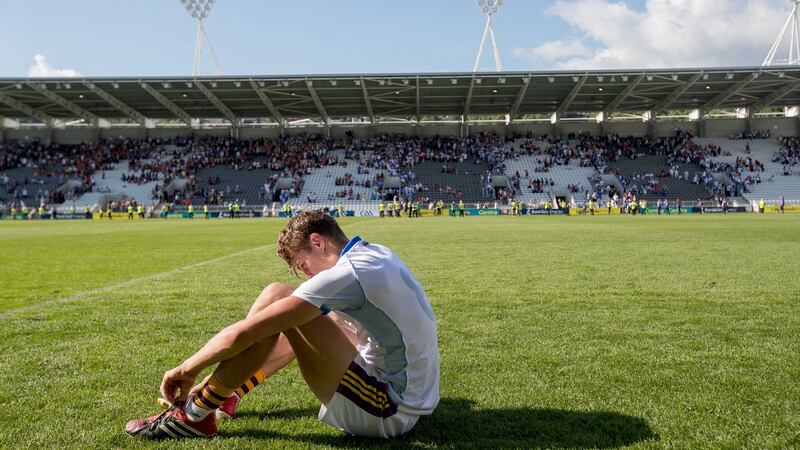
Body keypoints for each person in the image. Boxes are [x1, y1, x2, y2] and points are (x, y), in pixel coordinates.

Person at [125, 211, 439, 440]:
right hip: (408, 392)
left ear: (317, 242)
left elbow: (244, 334)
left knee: (278, 297)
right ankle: (229, 393)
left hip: (386, 410)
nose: (308, 277)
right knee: (296, 314)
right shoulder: (375, 253)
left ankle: (196, 413)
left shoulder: (348, 273)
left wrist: (185, 369)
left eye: (303, 266)